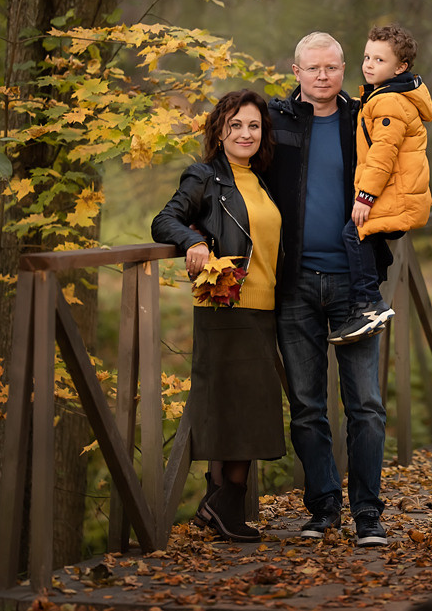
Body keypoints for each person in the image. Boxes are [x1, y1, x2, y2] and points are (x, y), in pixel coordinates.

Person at [261, 31, 390, 546]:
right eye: (313, 68)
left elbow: (403, 173)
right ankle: (322, 509)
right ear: (295, 71)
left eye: (332, 67)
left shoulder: (366, 118)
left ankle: (368, 515)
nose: (323, 76)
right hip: (292, 284)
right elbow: (231, 173)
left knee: (366, 404)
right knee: (308, 405)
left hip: (354, 286)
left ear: (344, 70)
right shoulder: (274, 122)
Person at [150, 90, 284, 542]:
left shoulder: (263, 179)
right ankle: (224, 502)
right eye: (235, 126)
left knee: (251, 406)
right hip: (226, 303)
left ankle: (217, 501)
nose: (245, 134)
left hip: (265, 305)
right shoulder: (205, 176)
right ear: (220, 131)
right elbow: (165, 219)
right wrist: (193, 242)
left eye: (253, 126)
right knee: (235, 407)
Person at [328, 23, 432, 344]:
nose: (369, 65)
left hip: (391, 195)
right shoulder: (387, 97)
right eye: (367, 57)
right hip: (401, 193)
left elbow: (383, 153)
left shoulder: (388, 103)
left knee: (354, 231)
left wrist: (365, 196)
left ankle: (369, 304)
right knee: (363, 236)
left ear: (400, 67)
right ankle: (369, 297)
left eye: (379, 60)